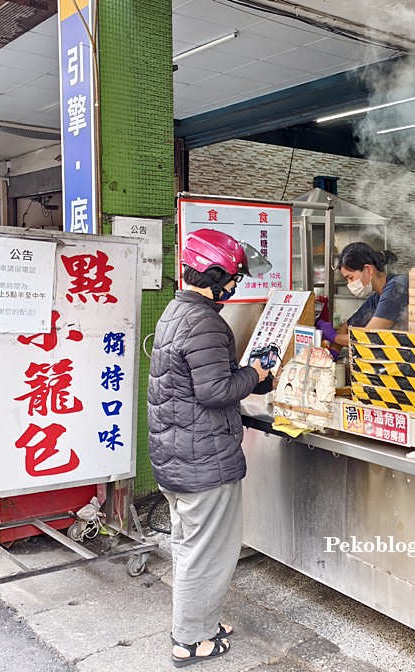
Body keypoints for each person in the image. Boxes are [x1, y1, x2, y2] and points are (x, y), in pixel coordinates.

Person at [147, 228, 273, 667]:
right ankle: (191, 640)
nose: (236, 284)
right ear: (216, 275)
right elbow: (216, 390)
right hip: (203, 461)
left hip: (177, 455)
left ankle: (198, 620)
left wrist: (247, 373)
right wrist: (256, 373)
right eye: (234, 276)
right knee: (208, 552)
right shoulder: (205, 321)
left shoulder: (177, 311)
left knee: (189, 547)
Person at [316, 242, 408, 348]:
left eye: (350, 277)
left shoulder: (397, 287)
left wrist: (332, 336)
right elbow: (345, 329)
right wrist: (332, 354)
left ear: (368, 270)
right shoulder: (377, 298)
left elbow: (369, 337)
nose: (349, 284)